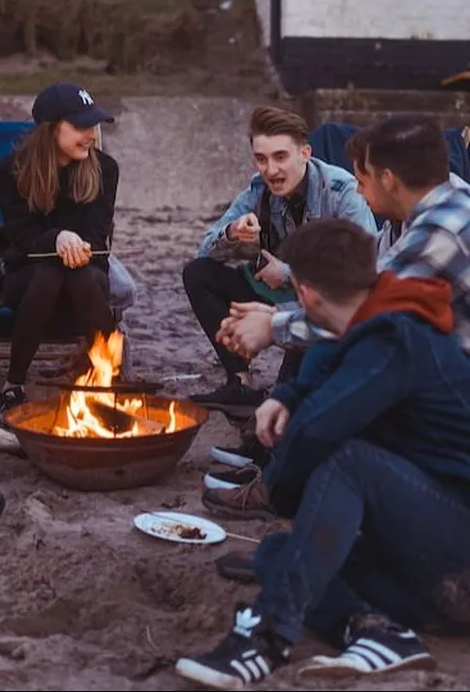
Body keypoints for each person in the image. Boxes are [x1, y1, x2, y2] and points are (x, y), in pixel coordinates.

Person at [176, 219, 470, 688]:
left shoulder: (396, 336)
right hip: (429, 571)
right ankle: (377, 630)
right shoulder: (375, 316)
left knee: (348, 461)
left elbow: (317, 432)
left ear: (305, 293)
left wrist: (281, 496)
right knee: (277, 552)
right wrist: (288, 397)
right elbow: (328, 363)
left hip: (458, 554)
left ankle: (267, 636)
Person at [204, 115, 470, 496]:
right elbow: (359, 293)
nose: (359, 193)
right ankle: (274, 459)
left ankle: (281, 483)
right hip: (429, 363)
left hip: (451, 394)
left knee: (342, 346)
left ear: (389, 179)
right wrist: (278, 315)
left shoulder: (445, 228)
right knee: (325, 340)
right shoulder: (412, 216)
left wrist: (274, 326)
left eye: (362, 182)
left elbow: (365, 309)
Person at [183, 105, 376, 415]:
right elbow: (204, 250)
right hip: (277, 295)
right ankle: (240, 381)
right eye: (261, 159)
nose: (271, 170)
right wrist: (233, 232)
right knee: (198, 273)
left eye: (280, 157)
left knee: (288, 396)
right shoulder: (259, 190)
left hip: (323, 303)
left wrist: (286, 272)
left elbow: (364, 269)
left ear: (305, 153)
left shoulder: (341, 191)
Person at [0, 82, 119, 418]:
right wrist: (57, 238)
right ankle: (15, 384)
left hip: (86, 278)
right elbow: (21, 239)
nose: (91, 134)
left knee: (78, 273)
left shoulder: (105, 169)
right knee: (49, 272)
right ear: (51, 129)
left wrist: (77, 245)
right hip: (28, 280)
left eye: (93, 125)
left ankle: (106, 379)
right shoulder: (12, 170)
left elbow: (96, 235)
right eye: (80, 126)